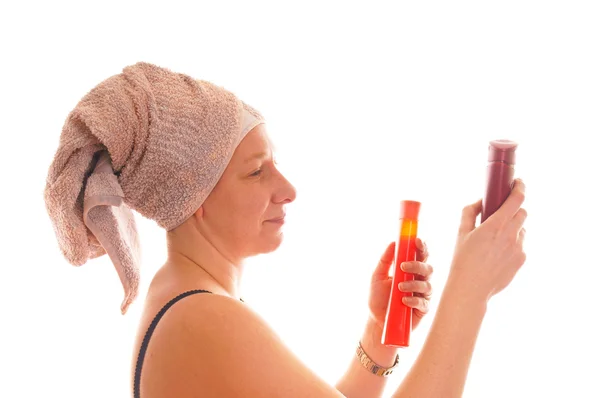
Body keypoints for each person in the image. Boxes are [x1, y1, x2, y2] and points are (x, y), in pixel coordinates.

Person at [43, 62, 527, 398]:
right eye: (257, 171)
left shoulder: (187, 296)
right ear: (196, 198)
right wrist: (470, 290)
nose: (288, 189)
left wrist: (381, 334)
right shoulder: (201, 317)